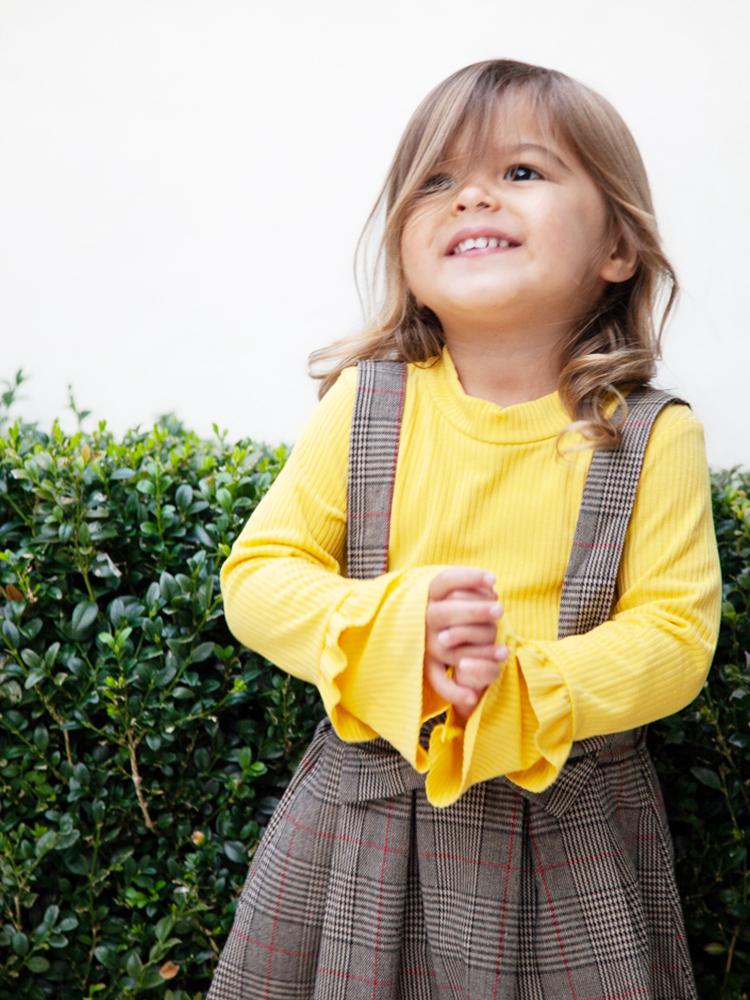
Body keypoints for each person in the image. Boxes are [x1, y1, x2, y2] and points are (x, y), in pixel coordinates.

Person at [207, 58, 721, 999]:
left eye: (522, 171)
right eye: (436, 181)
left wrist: (525, 686)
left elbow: (675, 638)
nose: (471, 194)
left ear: (617, 246)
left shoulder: (651, 435)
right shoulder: (368, 406)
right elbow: (259, 574)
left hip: (568, 837)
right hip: (360, 825)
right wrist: (393, 632)